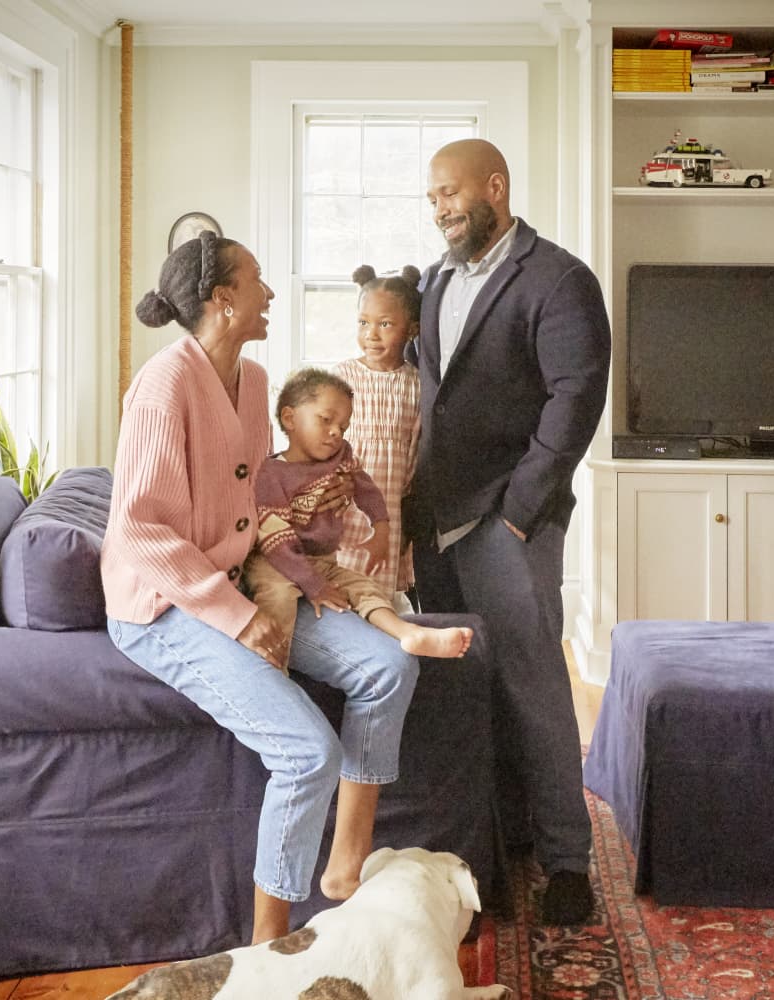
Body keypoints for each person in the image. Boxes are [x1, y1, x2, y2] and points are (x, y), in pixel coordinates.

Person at [101, 231, 421, 944]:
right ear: (222, 300)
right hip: (163, 604)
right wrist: (237, 619)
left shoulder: (250, 381)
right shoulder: (162, 386)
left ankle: (345, 864)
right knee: (309, 754)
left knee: (389, 664)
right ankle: (269, 951)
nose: (270, 292)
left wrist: (309, 551)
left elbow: (251, 503)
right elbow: (139, 531)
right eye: (257, 281)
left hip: (243, 576)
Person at [407, 138, 611, 925]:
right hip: (437, 521)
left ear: (496, 185)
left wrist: (520, 512)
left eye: (451, 192)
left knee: (532, 687)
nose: (441, 208)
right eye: (432, 198)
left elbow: (575, 399)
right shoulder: (434, 281)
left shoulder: (558, 279)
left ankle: (567, 862)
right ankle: (502, 843)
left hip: (507, 522)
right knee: (466, 693)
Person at [243, 367, 472, 666]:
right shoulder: (270, 474)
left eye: (343, 426)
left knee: (366, 588)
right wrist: (313, 585)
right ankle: (269, 668)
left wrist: (381, 529)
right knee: (277, 596)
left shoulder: (340, 458)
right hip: (277, 561)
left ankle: (407, 631)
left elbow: (367, 490)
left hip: (325, 561)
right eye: (326, 420)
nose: (337, 431)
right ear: (290, 419)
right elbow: (277, 542)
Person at [331, 264, 423, 603]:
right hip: (344, 508)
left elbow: (415, 458)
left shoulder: (417, 385)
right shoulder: (341, 377)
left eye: (385, 324)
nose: (371, 334)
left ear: (411, 329)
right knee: (339, 592)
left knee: (376, 599)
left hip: (390, 510)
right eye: (363, 323)